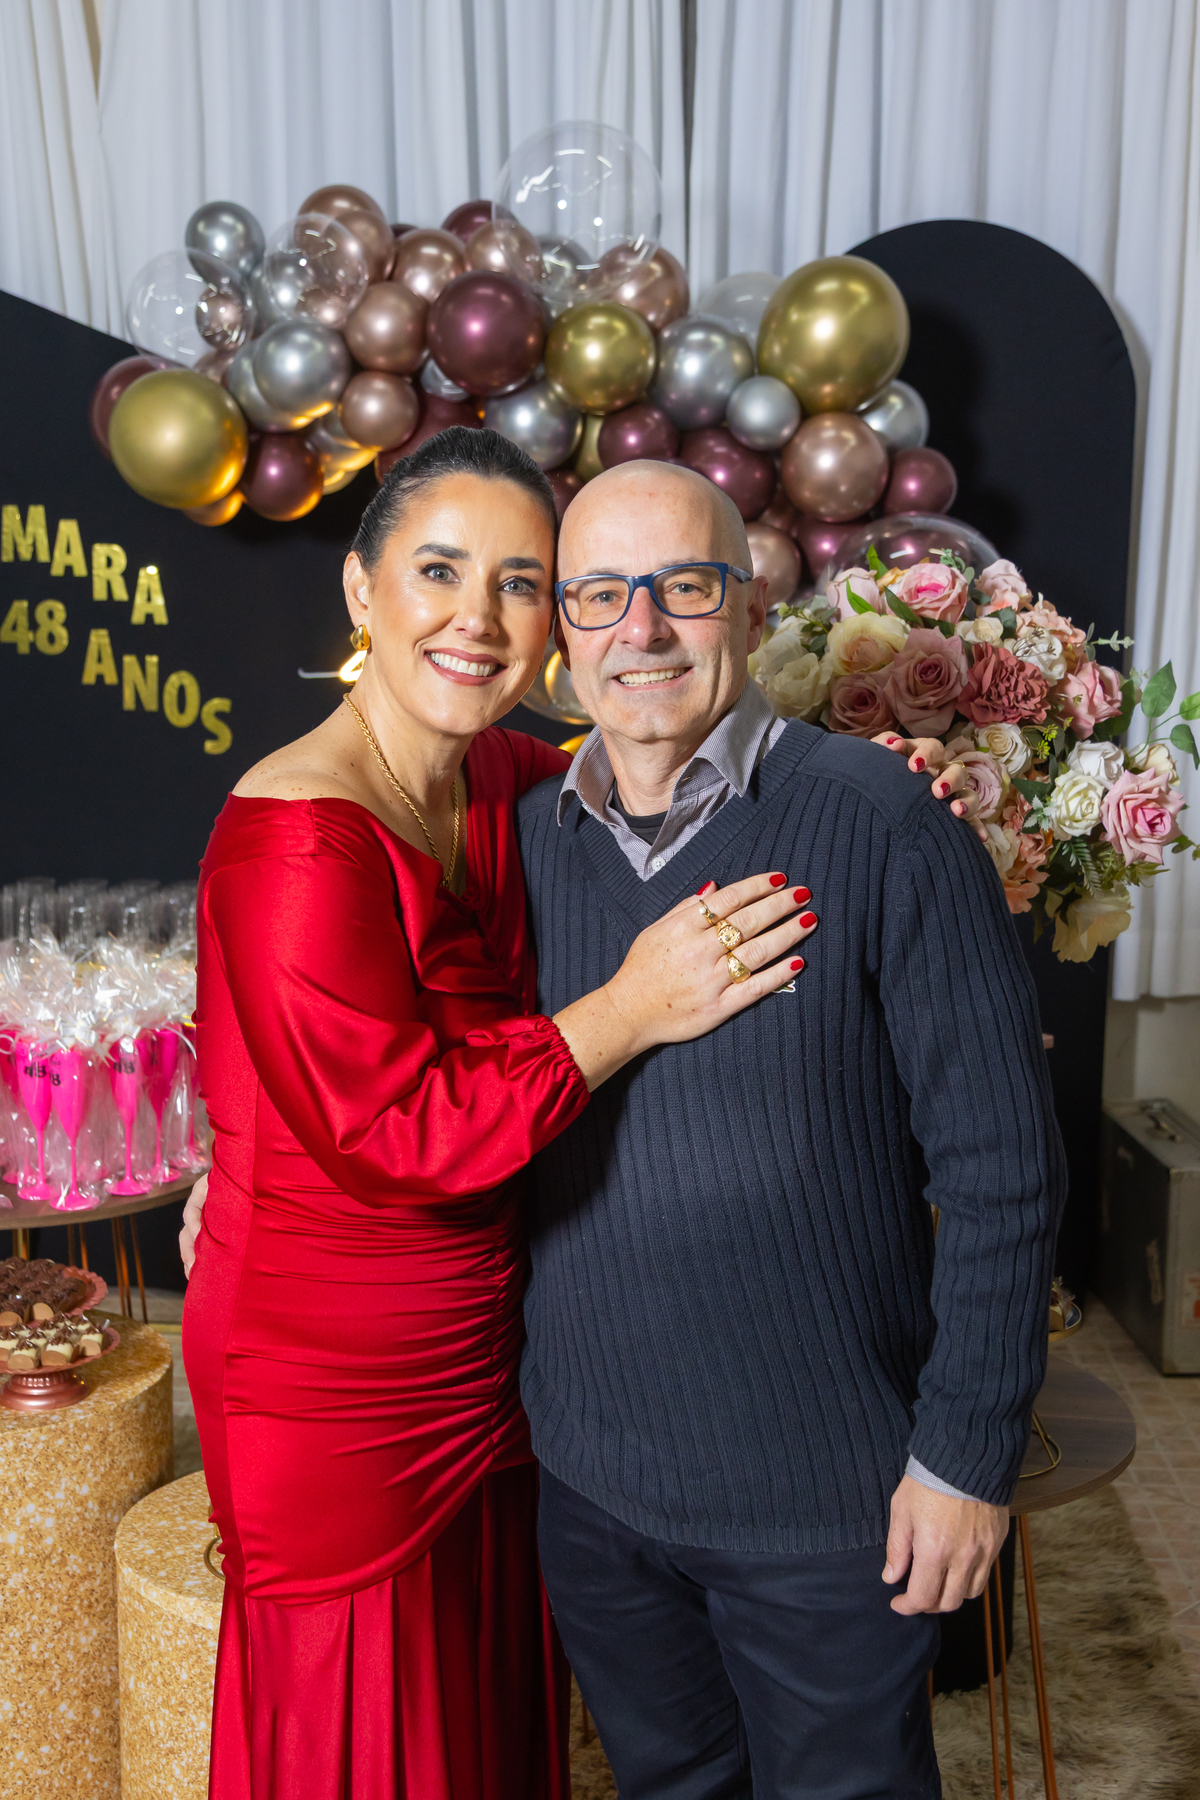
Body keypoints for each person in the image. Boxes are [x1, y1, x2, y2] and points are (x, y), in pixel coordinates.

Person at [180, 428, 818, 1800]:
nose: (478, 617)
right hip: (331, 1381)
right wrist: (629, 1009)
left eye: (520, 583)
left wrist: (883, 785)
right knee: (371, 1728)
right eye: (438, 570)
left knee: (481, 1712)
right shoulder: (294, 835)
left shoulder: (512, 780)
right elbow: (394, 1131)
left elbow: (688, 791)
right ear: (361, 589)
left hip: (493, 1354)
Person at [515, 460, 1066, 1800]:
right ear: (562, 631)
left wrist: (964, 1456)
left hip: (825, 1501)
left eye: (684, 587)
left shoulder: (885, 825)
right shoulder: (521, 844)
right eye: (601, 595)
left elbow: (1004, 1172)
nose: (642, 630)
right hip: (593, 1485)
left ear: (753, 607)